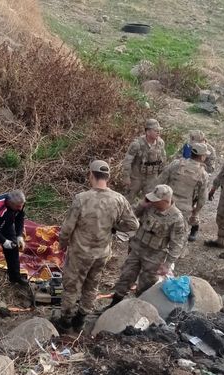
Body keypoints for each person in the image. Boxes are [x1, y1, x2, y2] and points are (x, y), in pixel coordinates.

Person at [53, 160, 139, 331]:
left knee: (71, 286)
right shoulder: (118, 199)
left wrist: (62, 244)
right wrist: (114, 226)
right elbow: (133, 225)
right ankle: (81, 319)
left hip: (80, 252)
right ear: (108, 177)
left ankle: (65, 321)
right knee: (92, 285)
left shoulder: (82, 199)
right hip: (101, 253)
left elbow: (67, 227)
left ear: (90, 175)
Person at [108, 185, 186, 307]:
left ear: (165, 201)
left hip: (154, 257)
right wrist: (141, 205)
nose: (152, 201)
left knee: (146, 284)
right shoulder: (149, 206)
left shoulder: (176, 218)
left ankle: (139, 308)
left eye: (156, 199)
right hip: (137, 249)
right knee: (126, 276)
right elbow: (131, 216)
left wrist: (168, 264)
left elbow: (177, 243)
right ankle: (114, 304)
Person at [157, 143, 209, 244]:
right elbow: (203, 198)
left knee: (160, 229)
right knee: (179, 234)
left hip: (166, 203)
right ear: (202, 157)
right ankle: (176, 254)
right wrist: (196, 212)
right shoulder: (203, 174)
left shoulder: (176, 163)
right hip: (185, 208)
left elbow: (160, 180)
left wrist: (157, 198)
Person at [123, 119, 167, 204]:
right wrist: (126, 177)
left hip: (152, 178)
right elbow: (127, 161)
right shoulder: (137, 144)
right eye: (155, 130)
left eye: (159, 131)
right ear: (148, 132)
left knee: (148, 202)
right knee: (128, 199)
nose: (158, 132)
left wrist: (161, 176)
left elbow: (163, 159)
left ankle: (143, 216)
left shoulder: (160, 143)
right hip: (136, 177)